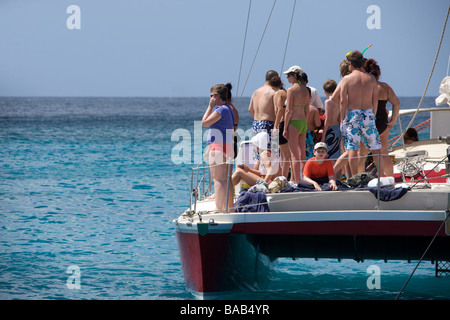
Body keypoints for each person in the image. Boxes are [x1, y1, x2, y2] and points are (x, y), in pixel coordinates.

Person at [337, 50, 382, 177]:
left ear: (350, 64)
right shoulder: (371, 78)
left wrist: (342, 119)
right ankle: (382, 177)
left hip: (353, 114)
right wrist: (372, 115)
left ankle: (354, 178)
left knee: (352, 149)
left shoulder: (346, 79)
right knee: (375, 148)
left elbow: (342, 101)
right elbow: (375, 100)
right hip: (368, 113)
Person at [363, 58, 400, 176]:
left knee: (372, 153)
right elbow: (396, 103)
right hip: (383, 122)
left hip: (369, 121)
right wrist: (393, 120)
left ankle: (377, 178)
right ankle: (390, 179)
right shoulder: (385, 87)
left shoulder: (364, 86)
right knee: (384, 153)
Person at [202, 84, 235, 212]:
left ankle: (218, 208)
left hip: (218, 147)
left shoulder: (220, 109)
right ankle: (227, 208)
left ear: (217, 96)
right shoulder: (229, 109)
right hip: (226, 146)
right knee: (225, 180)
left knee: (218, 180)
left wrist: (209, 107)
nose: (210, 98)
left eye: (211, 96)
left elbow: (204, 123)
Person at [283, 65, 310, 184]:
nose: (287, 78)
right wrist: (305, 122)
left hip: (293, 122)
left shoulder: (291, 90)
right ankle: (304, 178)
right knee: (302, 154)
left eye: (289, 75)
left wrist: (285, 128)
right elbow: (307, 108)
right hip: (303, 122)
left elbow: (288, 110)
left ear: (295, 75)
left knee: (294, 155)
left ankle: (296, 181)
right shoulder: (306, 89)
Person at [248, 70, 279, 168]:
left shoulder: (256, 91)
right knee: (270, 155)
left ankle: (256, 178)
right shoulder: (274, 92)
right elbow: (277, 111)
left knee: (258, 156)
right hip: (268, 123)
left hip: (256, 123)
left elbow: (250, 109)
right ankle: (269, 179)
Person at [271, 75, 291, 179]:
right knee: (286, 154)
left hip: (282, 123)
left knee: (284, 154)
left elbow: (280, 110)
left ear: (272, 86)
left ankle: (284, 177)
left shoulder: (278, 93)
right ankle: (286, 176)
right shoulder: (286, 92)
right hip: (288, 123)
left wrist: (275, 125)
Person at [321, 79, 342, 161]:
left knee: (330, 154)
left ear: (325, 91)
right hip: (338, 128)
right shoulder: (339, 101)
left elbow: (328, 119)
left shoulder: (328, 102)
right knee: (337, 154)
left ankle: (332, 173)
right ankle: (337, 173)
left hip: (331, 129)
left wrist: (323, 135)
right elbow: (339, 117)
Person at [225, 83, 240, 158]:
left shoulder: (226, 109)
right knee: (229, 163)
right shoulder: (234, 109)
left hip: (228, 138)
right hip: (233, 136)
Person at [305, 87, 321, 159]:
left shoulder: (297, 108)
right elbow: (318, 124)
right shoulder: (313, 109)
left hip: (299, 133)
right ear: (310, 97)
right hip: (310, 133)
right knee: (311, 156)